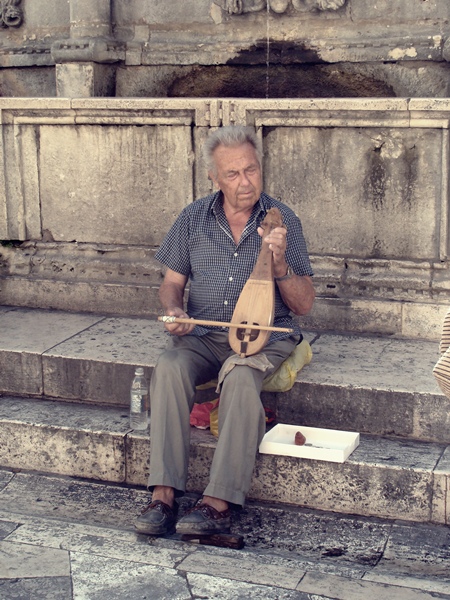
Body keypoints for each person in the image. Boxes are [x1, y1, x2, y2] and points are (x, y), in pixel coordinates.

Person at [135, 125, 315, 537]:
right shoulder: (193, 217)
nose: (245, 182)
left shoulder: (281, 220)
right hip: (203, 334)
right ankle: (163, 495)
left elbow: (304, 304)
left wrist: (282, 263)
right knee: (168, 366)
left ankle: (218, 502)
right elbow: (171, 282)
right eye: (232, 174)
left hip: (266, 335)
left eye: (251, 170)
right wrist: (174, 309)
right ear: (213, 178)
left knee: (239, 372)